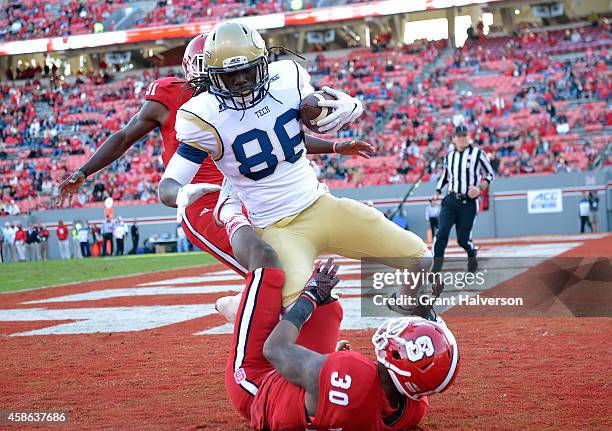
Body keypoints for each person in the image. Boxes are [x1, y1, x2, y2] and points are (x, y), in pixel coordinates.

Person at [163, 21, 432, 317]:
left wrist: (350, 105)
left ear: (264, 63)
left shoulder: (288, 78)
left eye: (247, 70)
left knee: (421, 260)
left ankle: (408, 313)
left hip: (321, 204)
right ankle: (236, 305)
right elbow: (169, 184)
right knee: (302, 312)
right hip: (278, 228)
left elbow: (292, 129)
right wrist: (180, 192)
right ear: (213, 78)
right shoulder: (202, 115)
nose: (241, 80)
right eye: (230, 75)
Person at [56, 33, 373, 280]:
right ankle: (264, 354)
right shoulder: (171, 95)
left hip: (245, 196)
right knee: (270, 272)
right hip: (204, 200)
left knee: (283, 268)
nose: (230, 79)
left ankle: (244, 313)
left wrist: (335, 146)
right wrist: (83, 172)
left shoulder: (243, 100)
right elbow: (124, 137)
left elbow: (277, 140)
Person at [225, 257, 459, 430]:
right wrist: (427, 315)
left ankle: (228, 215)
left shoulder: (353, 371)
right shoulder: (412, 409)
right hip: (313, 394)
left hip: (258, 388)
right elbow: (428, 369)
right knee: (331, 308)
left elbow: (274, 349)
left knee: (267, 267)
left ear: (399, 360)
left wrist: (311, 296)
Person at [432, 124, 495, 273]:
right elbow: (446, 176)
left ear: (468, 137)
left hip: (468, 202)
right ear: (454, 139)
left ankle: (471, 252)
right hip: (451, 200)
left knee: (463, 239)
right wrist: (437, 191)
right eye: (459, 136)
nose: (462, 139)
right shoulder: (450, 156)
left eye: (464, 136)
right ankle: (436, 268)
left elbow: (490, 175)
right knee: (441, 233)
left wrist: (479, 188)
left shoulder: (478, 154)